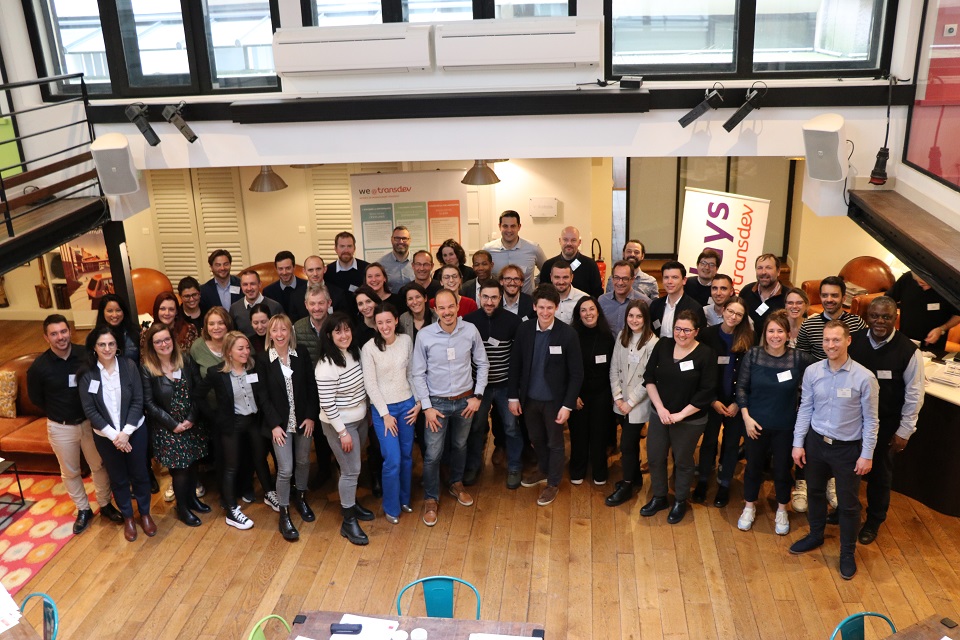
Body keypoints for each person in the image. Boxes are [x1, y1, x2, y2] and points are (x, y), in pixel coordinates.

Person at [790, 321, 880, 580]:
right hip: (816, 443)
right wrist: (798, 443)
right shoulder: (812, 372)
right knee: (815, 493)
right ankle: (816, 534)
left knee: (849, 504)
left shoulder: (864, 378)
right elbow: (805, 408)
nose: (830, 345)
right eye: (827, 340)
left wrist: (867, 454)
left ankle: (847, 553)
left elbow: (871, 420)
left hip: (848, 449)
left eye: (836, 340)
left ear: (848, 341)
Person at [27, 315, 123, 535]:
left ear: (70, 331)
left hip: (91, 423)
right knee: (70, 472)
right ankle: (83, 509)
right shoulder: (38, 368)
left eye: (63, 331)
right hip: (60, 427)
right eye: (54, 333)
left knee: (98, 466)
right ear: (46, 337)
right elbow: (36, 399)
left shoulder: (86, 356)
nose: (60, 337)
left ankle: (105, 504)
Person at [848, 296, 925, 545]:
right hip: (852, 420)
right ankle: (847, 512)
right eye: (875, 316)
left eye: (886, 317)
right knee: (847, 469)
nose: (879, 321)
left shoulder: (909, 351)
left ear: (895, 318)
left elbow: (915, 393)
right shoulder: (855, 341)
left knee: (880, 475)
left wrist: (905, 430)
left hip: (886, 424)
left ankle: (874, 520)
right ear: (866, 317)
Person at [411, 289, 490, 526]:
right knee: (433, 453)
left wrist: (478, 396)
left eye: (450, 307)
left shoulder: (470, 330)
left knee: (459, 445)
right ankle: (431, 498)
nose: (447, 312)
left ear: (458, 306)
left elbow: (483, 363)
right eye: (441, 308)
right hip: (437, 404)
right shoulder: (424, 336)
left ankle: (456, 484)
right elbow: (417, 373)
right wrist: (426, 407)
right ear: (435, 310)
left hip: (466, 401)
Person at [735, 310, 815, 535]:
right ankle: (749, 506)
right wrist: (746, 418)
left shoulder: (798, 358)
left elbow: (821, 371)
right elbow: (741, 388)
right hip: (755, 424)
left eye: (780, 331)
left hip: (785, 426)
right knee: (752, 468)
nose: (775, 335)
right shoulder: (753, 355)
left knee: (782, 469)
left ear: (788, 334)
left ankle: (782, 509)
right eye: (771, 331)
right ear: (765, 333)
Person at [195, 331, 279, 530]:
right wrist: (215, 417)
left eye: (247, 348)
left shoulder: (253, 368)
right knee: (231, 466)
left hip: (254, 422)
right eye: (240, 348)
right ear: (229, 351)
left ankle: (269, 493)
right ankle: (231, 509)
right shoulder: (217, 373)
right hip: (231, 424)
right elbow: (198, 396)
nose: (246, 352)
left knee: (260, 458)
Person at [509, 284, 584, 507]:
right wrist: (513, 396)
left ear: (557, 307)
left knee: (555, 442)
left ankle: (553, 482)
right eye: (541, 307)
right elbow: (515, 365)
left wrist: (567, 405)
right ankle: (543, 469)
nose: (544, 312)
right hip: (529, 399)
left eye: (549, 308)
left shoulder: (568, 334)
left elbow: (577, 374)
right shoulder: (525, 330)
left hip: (555, 402)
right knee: (536, 439)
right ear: (534, 307)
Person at [640, 310, 718, 524]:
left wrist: (681, 415)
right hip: (660, 414)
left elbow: (707, 391)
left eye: (687, 330)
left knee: (683, 462)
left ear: (696, 331)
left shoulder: (706, 354)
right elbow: (649, 378)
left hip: (690, 420)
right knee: (655, 458)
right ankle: (659, 497)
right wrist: (661, 409)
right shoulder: (663, 345)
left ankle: (680, 500)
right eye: (678, 329)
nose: (681, 334)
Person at [79, 326, 154, 542]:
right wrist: (115, 436)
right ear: (94, 347)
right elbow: (90, 410)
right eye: (102, 344)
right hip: (106, 438)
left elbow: (138, 401)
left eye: (111, 344)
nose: (107, 348)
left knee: (140, 474)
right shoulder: (87, 374)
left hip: (135, 432)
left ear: (117, 346)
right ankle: (129, 517)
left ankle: (145, 513)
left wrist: (126, 433)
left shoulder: (129, 366)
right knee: (118, 478)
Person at [140, 323, 210, 527]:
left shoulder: (185, 359)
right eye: (158, 341)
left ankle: (192, 499)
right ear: (152, 345)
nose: (163, 344)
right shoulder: (147, 369)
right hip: (167, 428)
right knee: (180, 469)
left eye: (167, 339)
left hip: (191, 422)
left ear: (173, 340)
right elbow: (149, 403)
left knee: (193, 463)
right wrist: (173, 424)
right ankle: (183, 507)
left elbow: (198, 389)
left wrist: (191, 418)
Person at [258, 314, 319, 542]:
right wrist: (274, 424)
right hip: (279, 426)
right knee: (285, 468)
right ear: (269, 334)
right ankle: (283, 512)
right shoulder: (263, 360)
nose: (280, 334)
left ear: (290, 332)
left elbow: (312, 387)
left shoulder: (301, 353)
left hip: (303, 420)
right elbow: (262, 396)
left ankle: (301, 497)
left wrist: (312, 416)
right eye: (275, 330)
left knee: (303, 461)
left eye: (284, 330)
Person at [315, 312, 373, 545]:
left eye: (346, 329)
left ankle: (350, 503)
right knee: (351, 470)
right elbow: (327, 404)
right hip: (340, 425)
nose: (344, 335)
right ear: (329, 335)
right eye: (338, 331)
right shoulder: (326, 365)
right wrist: (342, 432)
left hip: (359, 419)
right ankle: (348, 522)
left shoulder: (353, 352)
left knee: (351, 468)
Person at [361, 303, 420, 524]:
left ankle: (404, 499)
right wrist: (385, 414)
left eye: (388, 321)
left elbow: (413, 373)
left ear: (396, 320)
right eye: (380, 323)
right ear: (375, 325)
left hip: (407, 405)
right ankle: (391, 506)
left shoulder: (406, 341)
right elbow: (371, 385)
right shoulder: (369, 348)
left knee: (406, 457)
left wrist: (418, 402)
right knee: (392, 459)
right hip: (384, 410)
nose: (385, 326)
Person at [694, 296, 754, 507]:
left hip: (736, 403)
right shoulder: (707, 335)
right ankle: (703, 480)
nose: (733, 316)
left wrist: (738, 402)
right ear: (723, 310)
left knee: (730, 444)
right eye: (730, 311)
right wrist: (711, 401)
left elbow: (750, 375)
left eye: (738, 314)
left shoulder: (748, 338)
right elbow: (699, 372)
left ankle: (725, 484)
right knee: (709, 441)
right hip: (712, 401)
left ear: (743, 317)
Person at [463, 280, 524, 489]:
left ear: (501, 298)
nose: (489, 302)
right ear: (479, 296)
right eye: (486, 297)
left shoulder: (513, 321)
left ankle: (515, 466)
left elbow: (518, 358)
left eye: (494, 297)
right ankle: (473, 465)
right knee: (476, 427)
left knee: (510, 427)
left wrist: (515, 390)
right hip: (479, 388)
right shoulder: (467, 322)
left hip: (505, 385)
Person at [607, 299, 658, 504]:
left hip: (637, 404)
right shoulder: (622, 336)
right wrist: (618, 397)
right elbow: (614, 368)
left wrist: (630, 402)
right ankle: (635, 477)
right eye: (631, 316)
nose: (634, 320)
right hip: (621, 401)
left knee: (626, 445)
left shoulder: (653, 342)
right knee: (630, 443)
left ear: (645, 319)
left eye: (639, 316)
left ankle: (627, 484)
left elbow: (648, 378)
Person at [292, 282, 336, 490]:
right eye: (313, 304)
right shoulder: (298, 328)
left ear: (329, 303)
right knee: (319, 433)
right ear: (306, 305)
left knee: (338, 431)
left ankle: (343, 469)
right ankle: (325, 470)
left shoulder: (337, 324)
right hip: (311, 391)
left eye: (321, 303)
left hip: (337, 389)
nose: (317, 308)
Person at [569, 296, 615, 486]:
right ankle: (577, 469)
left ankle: (599, 471)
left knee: (599, 433)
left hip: (602, 393)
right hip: (578, 394)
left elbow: (613, 367)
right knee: (578, 433)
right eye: (583, 310)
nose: (588, 314)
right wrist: (573, 395)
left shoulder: (607, 335)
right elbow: (567, 368)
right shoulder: (571, 335)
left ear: (598, 311)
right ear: (578, 314)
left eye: (591, 309)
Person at [795, 276, 867, 360]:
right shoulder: (808, 326)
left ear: (844, 298)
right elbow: (801, 359)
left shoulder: (857, 323)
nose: (829, 299)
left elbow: (863, 355)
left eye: (834, 295)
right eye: (824, 295)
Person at [887, 271, 960, 350]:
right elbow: (888, 300)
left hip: (934, 344)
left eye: (923, 283)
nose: (920, 285)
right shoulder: (907, 278)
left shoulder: (949, 285)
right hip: (905, 340)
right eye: (917, 282)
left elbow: (958, 315)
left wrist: (942, 329)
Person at [484, 210, 547, 295]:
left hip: (526, 303)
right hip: (497, 303)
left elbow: (547, 270)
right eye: (505, 226)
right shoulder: (488, 250)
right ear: (499, 227)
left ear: (519, 227)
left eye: (513, 226)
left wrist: (535, 282)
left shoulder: (533, 248)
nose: (509, 230)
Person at [649, 261, 707, 338]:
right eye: (666, 277)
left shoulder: (695, 308)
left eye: (674, 277)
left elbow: (700, 338)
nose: (669, 282)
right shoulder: (655, 305)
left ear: (684, 280)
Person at [540, 226, 604, 298]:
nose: (569, 243)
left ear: (579, 242)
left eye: (573, 240)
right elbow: (543, 294)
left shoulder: (590, 265)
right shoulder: (548, 266)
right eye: (565, 240)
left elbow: (597, 294)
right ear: (560, 241)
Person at [599, 260, 650, 338]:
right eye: (616, 278)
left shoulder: (645, 302)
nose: (620, 283)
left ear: (632, 280)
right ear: (612, 279)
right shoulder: (602, 301)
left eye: (625, 279)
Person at [230, 269, 283, 338]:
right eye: (245, 284)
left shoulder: (275, 306)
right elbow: (232, 336)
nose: (249, 288)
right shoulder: (234, 308)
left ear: (260, 284)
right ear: (241, 286)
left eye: (252, 284)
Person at [739, 253, 787, 330]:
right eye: (760, 268)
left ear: (778, 271)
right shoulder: (746, 291)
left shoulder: (788, 296)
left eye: (768, 268)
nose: (763, 272)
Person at [324, 231, 369, 310]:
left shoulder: (366, 268)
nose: (346, 250)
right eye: (342, 246)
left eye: (349, 246)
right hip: (336, 318)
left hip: (362, 315)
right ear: (335, 249)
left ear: (354, 248)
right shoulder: (327, 272)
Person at [95, 293, 141, 362]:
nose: (114, 315)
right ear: (103, 312)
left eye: (118, 310)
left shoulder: (136, 332)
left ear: (123, 312)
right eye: (110, 311)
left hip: (132, 372)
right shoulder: (95, 336)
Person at [263, 250, 307, 322]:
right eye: (280, 269)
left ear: (294, 267)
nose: (284, 272)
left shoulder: (307, 286)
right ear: (276, 269)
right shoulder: (268, 292)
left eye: (288, 268)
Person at [199, 249, 242, 315]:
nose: (222, 268)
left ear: (230, 265)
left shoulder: (241, 284)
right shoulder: (204, 291)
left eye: (226, 264)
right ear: (211, 267)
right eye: (218, 265)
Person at [379, 226, 415, 293]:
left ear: (410, 240)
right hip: (391, 303)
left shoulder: (418, 261)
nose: (401, 242)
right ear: (391, 240)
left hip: (415, 302)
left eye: (404, 238)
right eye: (397, 238)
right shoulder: (381, 264)